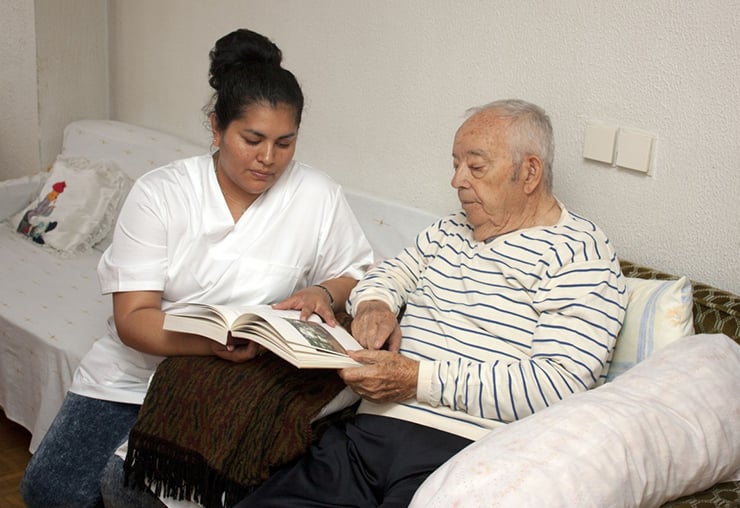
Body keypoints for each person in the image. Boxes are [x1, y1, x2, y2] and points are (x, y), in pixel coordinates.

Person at [20, 28, 373, 508]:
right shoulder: (161, 194)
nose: (268, 159)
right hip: (135, 371)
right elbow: (134, 318)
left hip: (231, 381)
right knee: (49, 491)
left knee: (125, 489)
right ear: (215, 128)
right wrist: (209, 341)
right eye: (253, 139)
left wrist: (323, 293)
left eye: (285, 143)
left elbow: (353, 270)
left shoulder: (316, 194)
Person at [235, 99, 628, 508]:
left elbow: (557, 386)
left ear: (529, 172)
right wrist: (374, 304)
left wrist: (416, 379)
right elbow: (388, 273)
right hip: (365, 439)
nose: (457, 180)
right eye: (455, 164)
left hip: (469, 459)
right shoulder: (450, 230)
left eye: (475, 167)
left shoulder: (580, 255)